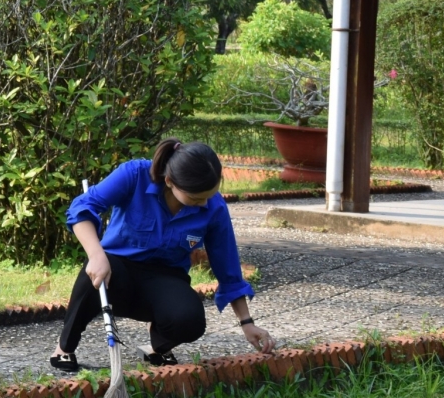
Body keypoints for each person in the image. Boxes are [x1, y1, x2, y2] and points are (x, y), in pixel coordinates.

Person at [52, 139, 277, 372]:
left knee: (190, 321)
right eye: (196, 198)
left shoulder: (214, 207)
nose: (204, 203)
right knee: (92, 273)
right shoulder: (135, 174)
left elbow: (228, 267)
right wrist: (96, 253)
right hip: (116, 270)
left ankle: (156, 347)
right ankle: (64, 348)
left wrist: (247, 323)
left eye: (209, 196)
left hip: (165, 278)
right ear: (170, 181)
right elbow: (81, 209)